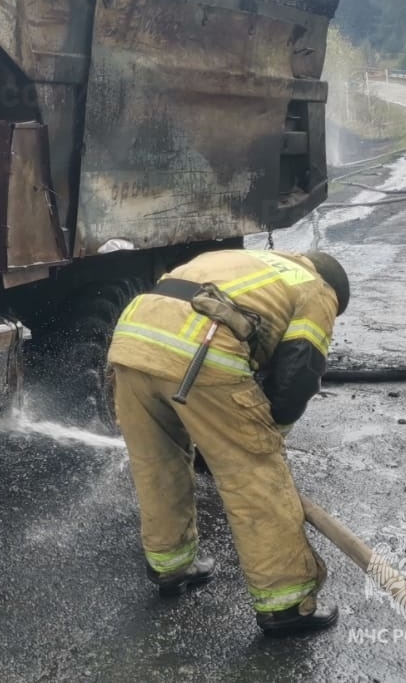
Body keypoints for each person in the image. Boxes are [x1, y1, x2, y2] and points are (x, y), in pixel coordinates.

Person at [107, 249, 350, 636]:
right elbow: (298, 374)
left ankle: (171, 567)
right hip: (199, 349)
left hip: (130, 340)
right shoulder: (317, 289)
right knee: (254, 474)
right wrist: (268, 436)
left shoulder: (251, 261)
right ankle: (286, 604)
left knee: (157, 462)